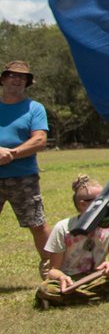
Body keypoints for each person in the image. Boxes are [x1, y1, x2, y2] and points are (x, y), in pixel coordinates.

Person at [36, 174, 109, 307]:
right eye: (100, 201)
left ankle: (74, 299)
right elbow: (53, 270)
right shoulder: (63, 228)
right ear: (83, 204)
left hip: (99, 276)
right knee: (45, 289)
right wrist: (62, 278)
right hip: (70, 280)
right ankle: (107, 294)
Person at [0, 60, 53, 273]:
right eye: (12, 75)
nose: (16, 79)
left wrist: (12, 154)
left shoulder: (34, 108)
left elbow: (39, 140)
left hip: (23, 176)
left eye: (21, 77)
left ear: (27, 83)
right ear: (3, 79)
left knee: (37, 223)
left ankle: (51, 268)